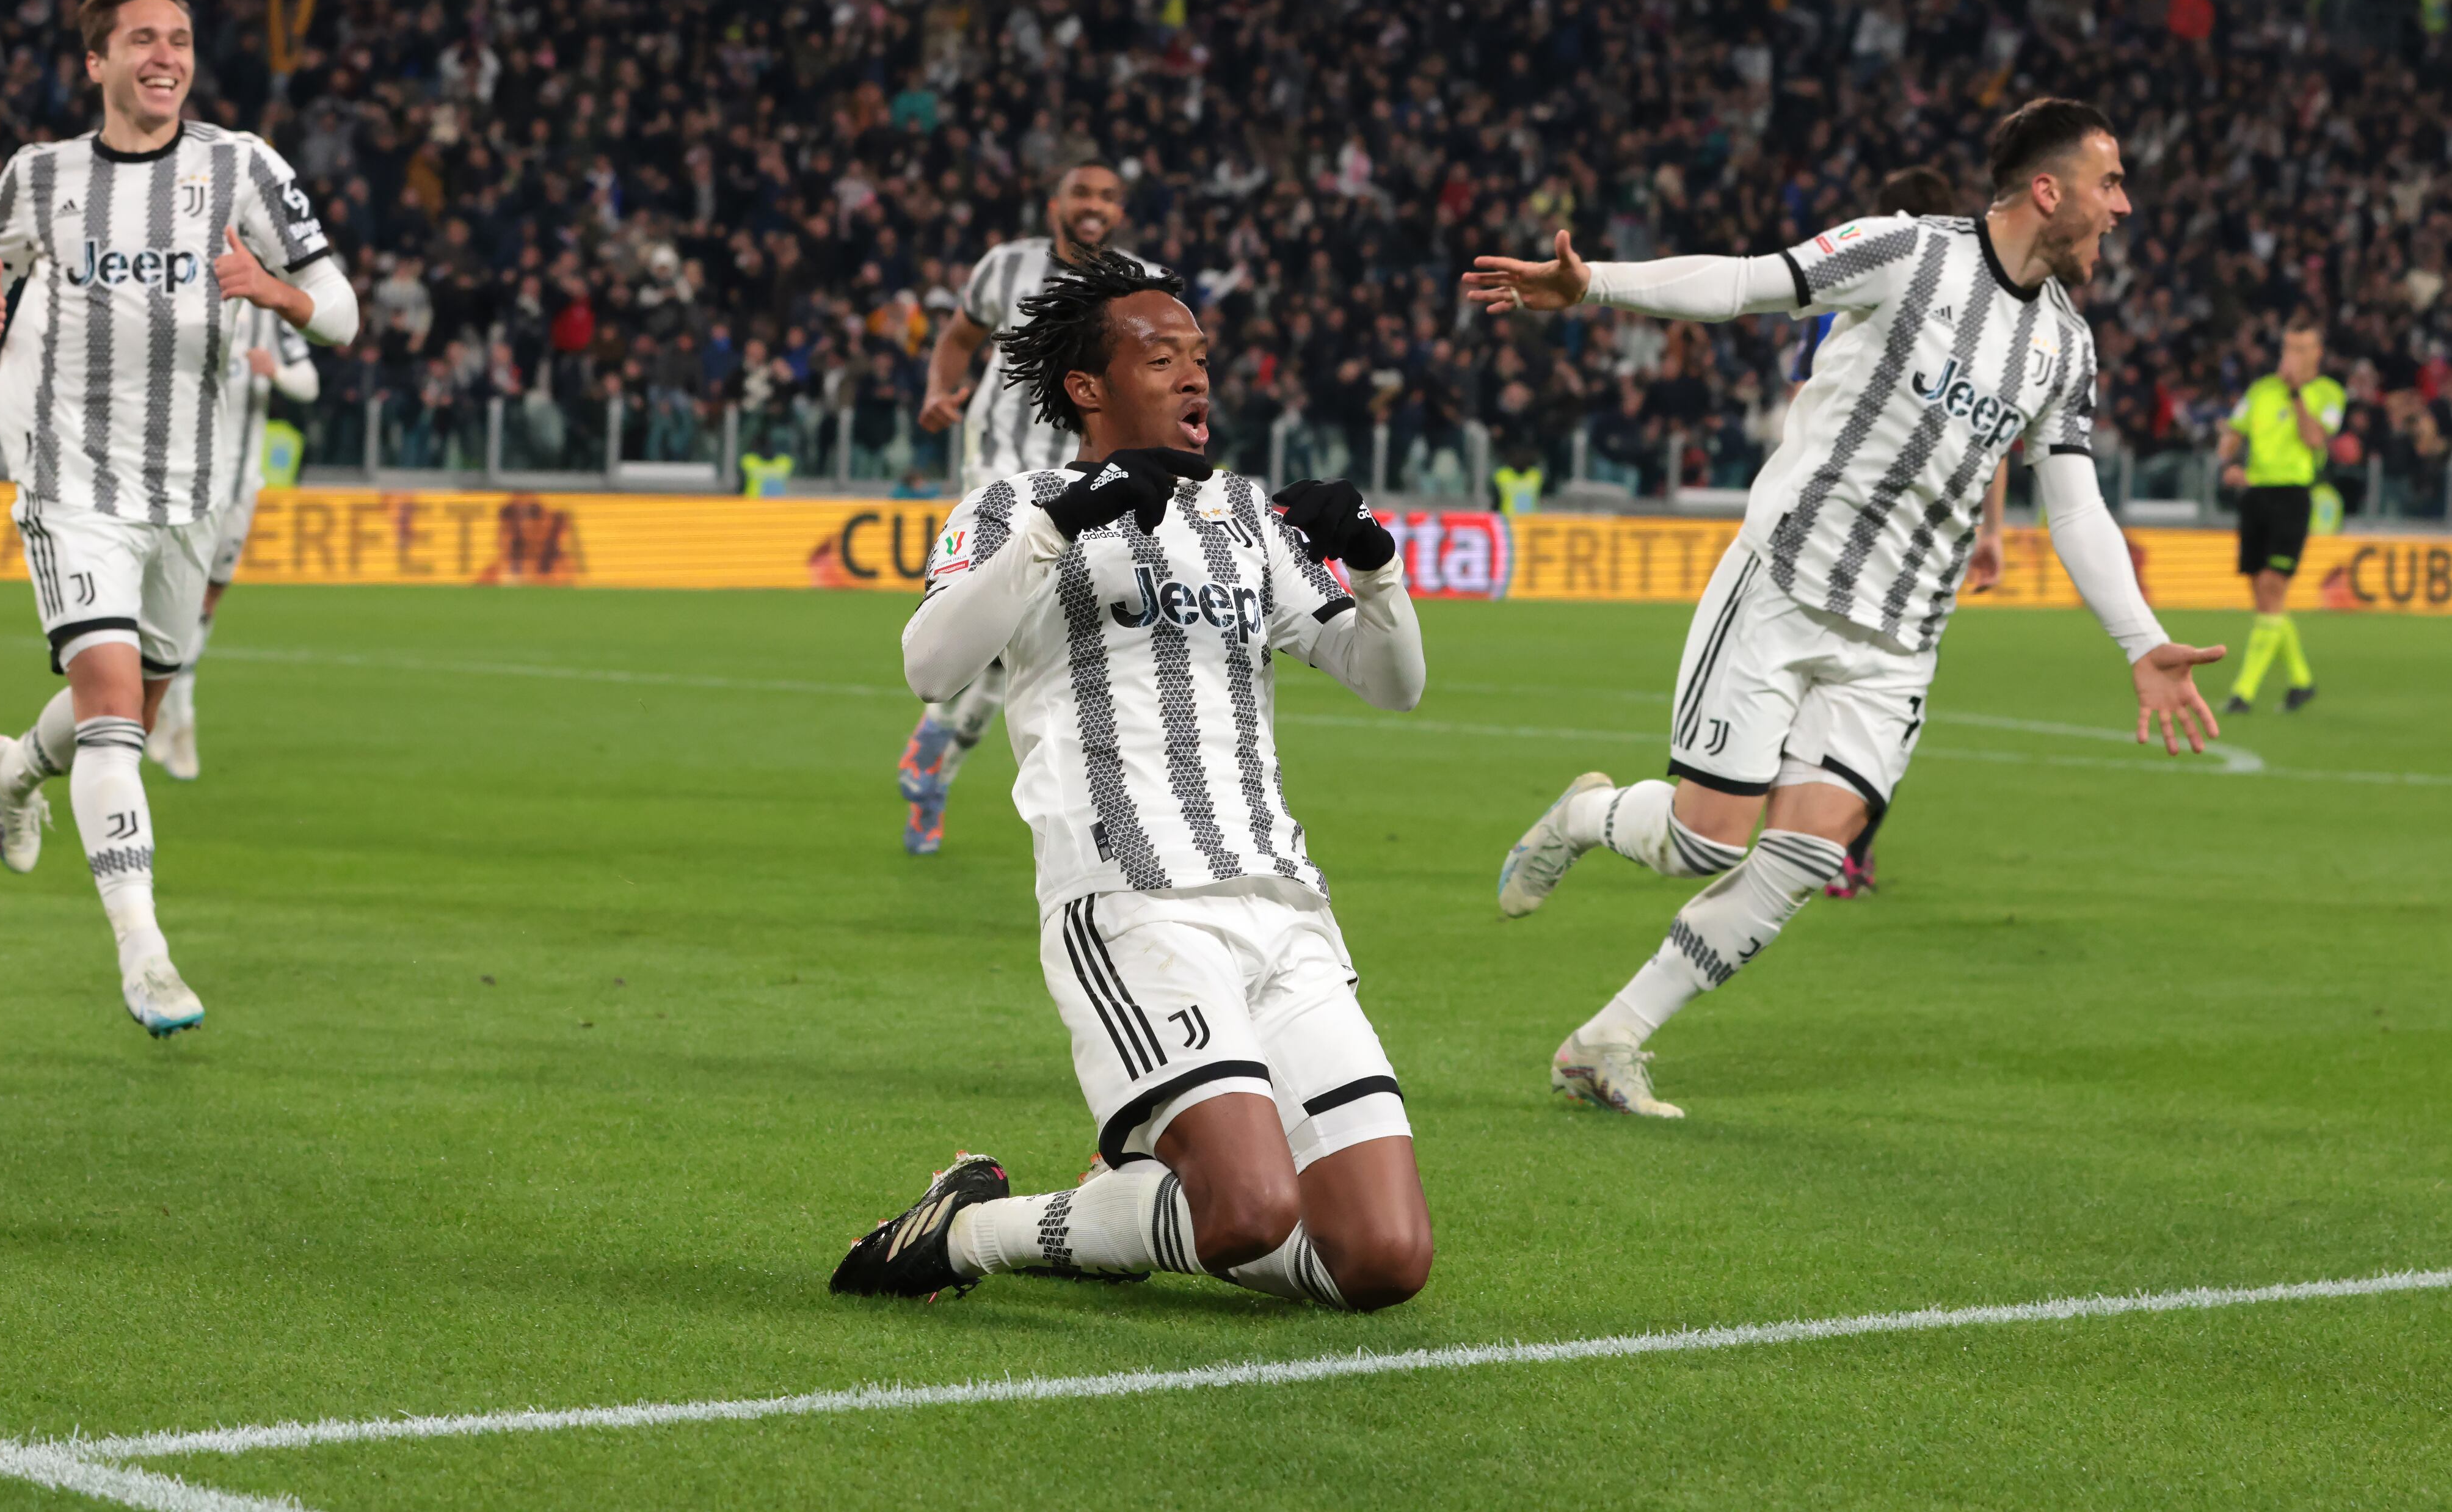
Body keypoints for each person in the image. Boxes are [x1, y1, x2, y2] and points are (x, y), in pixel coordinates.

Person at [1470, 98, 2224, 1118]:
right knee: (1705, 842)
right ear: (2050, 189)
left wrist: (2142, 640)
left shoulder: (2067, 346)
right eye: (2112, 182)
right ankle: (1586, 813)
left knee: (1806, 857)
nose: (2124, 206)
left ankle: (1608, 1040)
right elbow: (1746, 284)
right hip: (1787, 586)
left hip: (1900, 640)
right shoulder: (1905, 253)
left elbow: (2075, 496)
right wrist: (1592, 282)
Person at [833, 254, 1432, 1312]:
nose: (1196, 378)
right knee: (1244, 1211)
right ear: (1090, 387)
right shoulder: (1016, 503)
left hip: (1285, 906)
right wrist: (1066, 521)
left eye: (1202, 358)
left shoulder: (1252, 516)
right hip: (1133, 898)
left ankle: (1138, 1195)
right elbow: (931, 662)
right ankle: (970, 1231)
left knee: (1382, 1259)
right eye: (1164, 359)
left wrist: (1373, 562)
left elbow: (1393, 683)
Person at [0, 0, 359, 1036]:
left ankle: (15, 769)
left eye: (177, 37)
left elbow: (344, 312)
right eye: (141, 38)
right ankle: (145, 953)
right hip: (69, 474)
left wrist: (273, 290)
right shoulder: (39, 175)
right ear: (98, 61)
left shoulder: (243, 168)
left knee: (132, 705)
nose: (165, 55)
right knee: (116, 713)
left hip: (192, 486)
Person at [893, 161, 1135, 854]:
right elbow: (958, 339)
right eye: (1082, 194)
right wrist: (941, 388)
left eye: (1107, 198)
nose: (1093, 207)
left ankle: (938, 755)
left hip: (1083, 472)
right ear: (1056, 202)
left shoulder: (1135, 280)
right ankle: (938, 744)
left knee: (1029, 636)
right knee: (1016, 609)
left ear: (1119, 212)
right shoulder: (1005, 267)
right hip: (998, 466)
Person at [1792, 164, 2010, 899]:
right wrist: (1991, 529)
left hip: (1831, 529)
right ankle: (1844, 848)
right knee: (1885, 706)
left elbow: (1806, 406)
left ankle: (1810, 838)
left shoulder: (1848, 292)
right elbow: (1986, 431)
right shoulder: (1981, 314)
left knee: (1802, 688)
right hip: (1919, 546)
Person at [148, 294, 317, 780]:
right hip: (185, 482)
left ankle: (172, 709)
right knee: (172, 595)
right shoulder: (185, 299)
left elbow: (310, 382)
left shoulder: (270, 317)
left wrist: (277, 373)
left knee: (209, 598)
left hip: (242, 486)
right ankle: (180, 716)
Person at [2215, 315, 2343, 713]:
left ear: (2317, 354)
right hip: (2255, 496)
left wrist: (2296, 395)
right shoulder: (2260, 390)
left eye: (2301, 349)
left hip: (2292, 496)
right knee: (2265, 596)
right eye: (2288, 348)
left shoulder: (2327, 393)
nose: (2291, 356)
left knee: (2272, 585)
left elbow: (2315, 438)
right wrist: (2230, 460)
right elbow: (2231, 437)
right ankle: (2301, 682)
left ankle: (2243, 692)